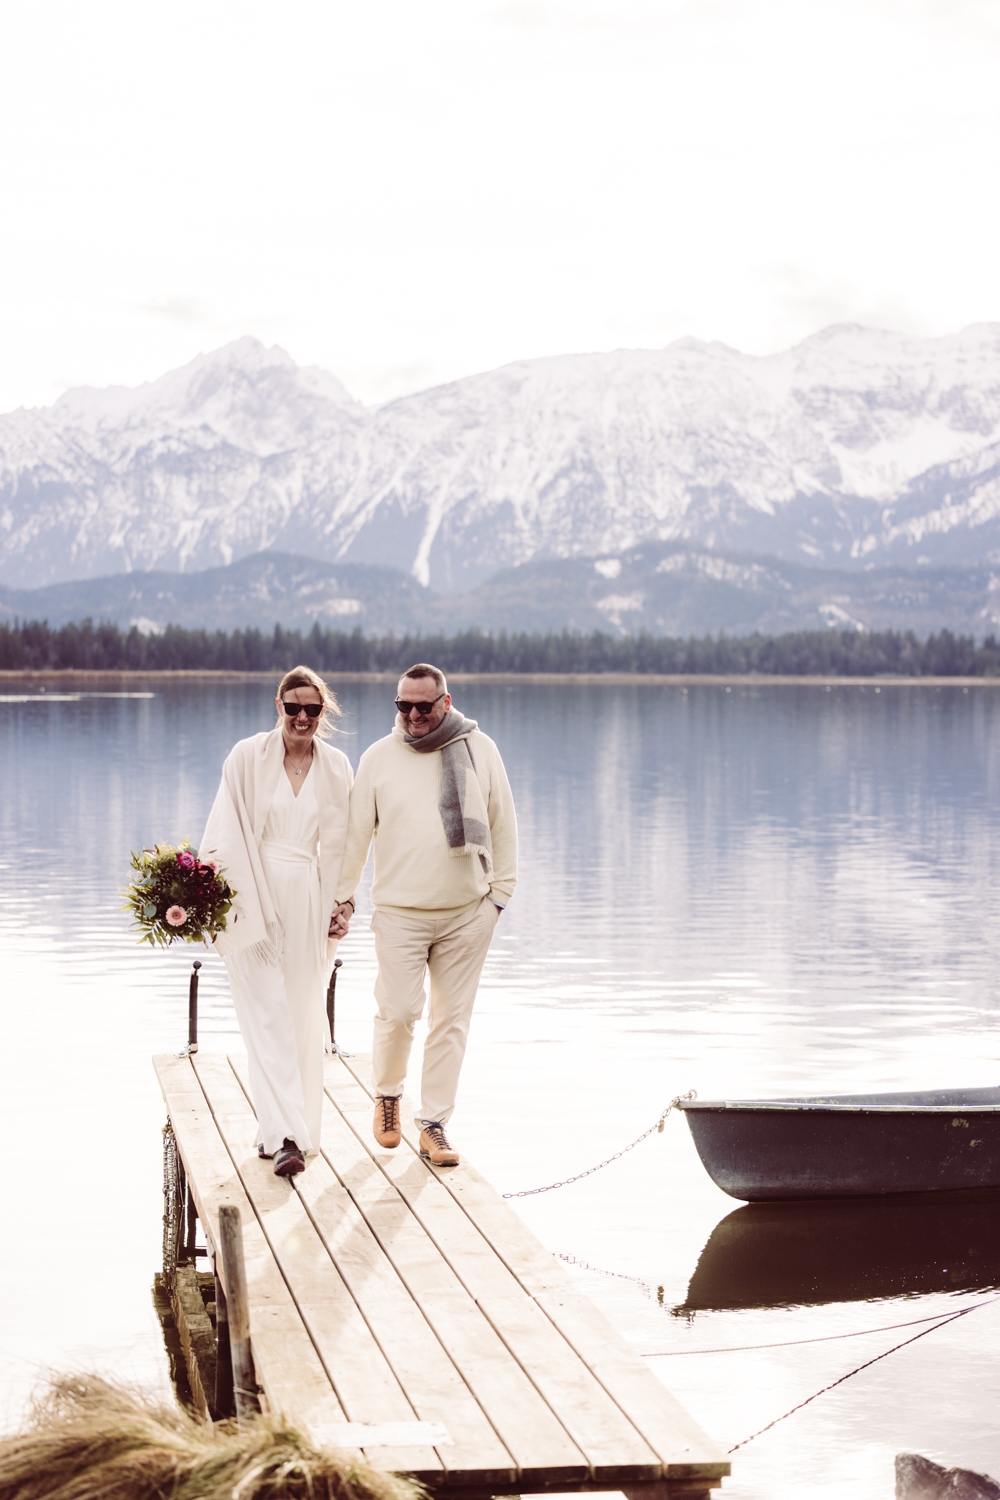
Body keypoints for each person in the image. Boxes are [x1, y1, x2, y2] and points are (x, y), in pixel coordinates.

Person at [332, 663, 517, 1165]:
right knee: (397, 1012)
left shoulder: (480, 749)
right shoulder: (377, 758)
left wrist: (499, 897)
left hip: (467, 913)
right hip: (399, 913)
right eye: (403, 706)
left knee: (450, 1020)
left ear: (446, 703)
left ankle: (434, 1124)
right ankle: (388, 1097)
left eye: (424, 706)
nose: (413, 715)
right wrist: (343, 898)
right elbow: (355, 839)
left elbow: (502, 823)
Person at [201, 666, 353, 1177]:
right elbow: (223, 831)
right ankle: (284, 1135)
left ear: (323, 712)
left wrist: (345, 903)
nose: (303, 718)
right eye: (294, 708)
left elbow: (348, 847)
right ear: (278, 706)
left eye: (313, 709)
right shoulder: (246, 757)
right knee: (263, 1014)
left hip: (307, 896)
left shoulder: (337, 768)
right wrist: (208, 897)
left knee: (304, 1013)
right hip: (252, 894)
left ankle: (289, 1130)